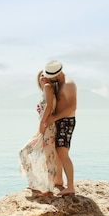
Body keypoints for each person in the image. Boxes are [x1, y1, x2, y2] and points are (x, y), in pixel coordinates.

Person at [19, 70, 57, 196]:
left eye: (46, 75)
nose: (44, 77)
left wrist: (42, 122)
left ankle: (48, 189)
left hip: (47, 127)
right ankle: (37, 185)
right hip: (46, 127)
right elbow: (48, 107)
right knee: (27, 152)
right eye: (42, 75)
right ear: (38, 78)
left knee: (47, 157)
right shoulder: (46, 91)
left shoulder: (47, 87)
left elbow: (49, 106)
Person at [43, 60, 77, 196]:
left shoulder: (68, 84)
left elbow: (72, 107)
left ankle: (71, 187)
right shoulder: (59, 83)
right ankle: (58, 181)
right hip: (59, 120)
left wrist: (53, 118)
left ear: (56, 75)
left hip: (66, 121)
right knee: (56, 151)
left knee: (63, 152)